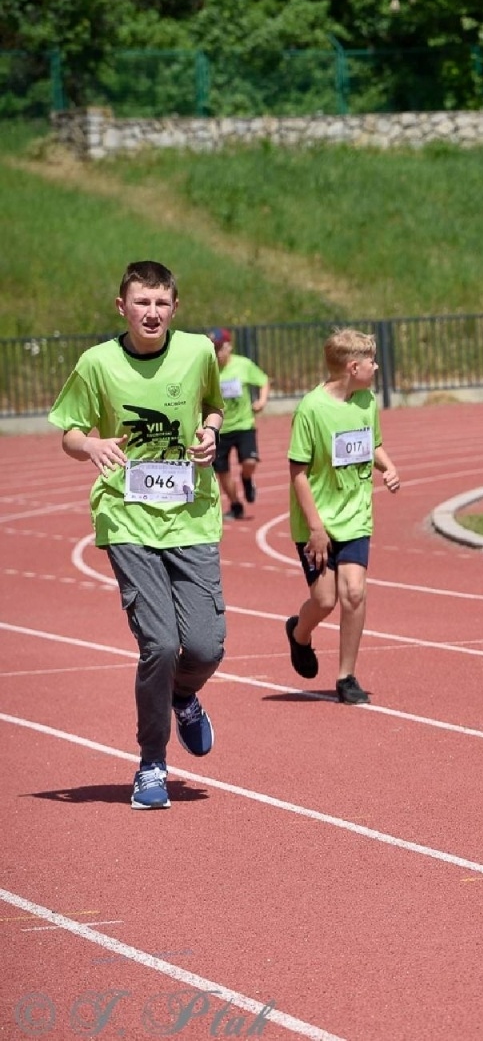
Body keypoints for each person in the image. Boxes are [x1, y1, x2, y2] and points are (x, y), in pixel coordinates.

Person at [47, 261, 225, 810]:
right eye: (141, 302)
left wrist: (210, 434)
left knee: (204, 647)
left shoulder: (197, 353)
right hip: (125, 516)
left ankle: (184, 695)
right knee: (160, 643)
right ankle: (152, 761)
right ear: (121, 306)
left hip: (192, 514)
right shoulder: (97, 362)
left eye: (161, 303)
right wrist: (92, 446)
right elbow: (70, 431)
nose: (152, 312)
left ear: (175, 307)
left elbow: (215, 407)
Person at [283, 329, 401, 705]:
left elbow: (373, 443)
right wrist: (316, 528)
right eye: (371, 361)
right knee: (324, 600)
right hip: (316, 521)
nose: (376, 367)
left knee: (353, 592)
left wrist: (388, 466)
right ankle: (299, 634)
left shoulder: (366, 400)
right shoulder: (311, 409)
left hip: (356, 515)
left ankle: (346, 675)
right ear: (353, 366)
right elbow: (297, 471)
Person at [207, 327, 271, 520]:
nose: (217, 354)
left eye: (219, 349)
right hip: (219, 428)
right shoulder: (207, 369)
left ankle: (246, 478)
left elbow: (263, 380)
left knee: (249, 462)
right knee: (222, 472)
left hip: (243, 424)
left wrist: (261, 401)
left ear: (229, 347)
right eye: (213, 349)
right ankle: (235, 505)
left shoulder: (243, 365)